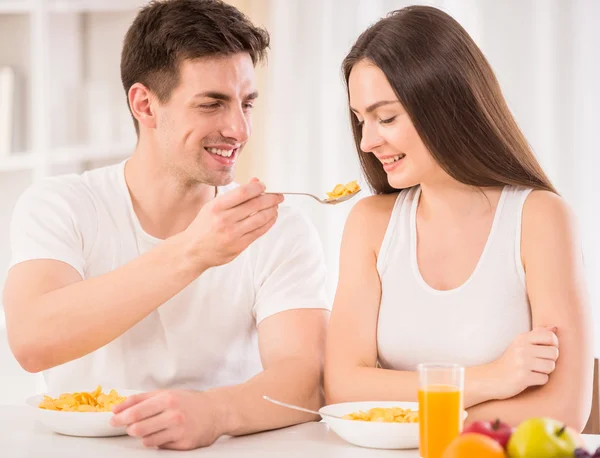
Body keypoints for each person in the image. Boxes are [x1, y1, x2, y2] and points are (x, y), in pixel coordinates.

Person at [2, 0, 329, 450]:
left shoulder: (278, 228)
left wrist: (215, 413)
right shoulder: (62, 205)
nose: (239, 129)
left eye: (246, 103)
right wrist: (193, 252)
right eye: (212, 104)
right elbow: (33, 341)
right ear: (145, 104)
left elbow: (305, 383)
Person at [324, 5, 593, 431]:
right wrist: (492, 380)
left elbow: (562, 411)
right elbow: (342, 386)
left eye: (386, 117)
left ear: (445, 103)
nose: (368, 140)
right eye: (360, 120)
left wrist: (408, 409)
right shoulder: (370, 224)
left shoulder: (539, 218)